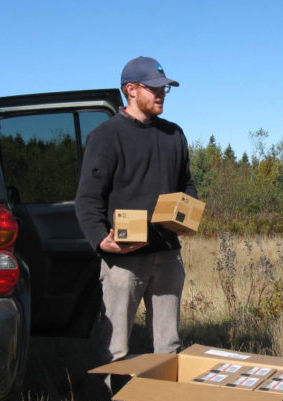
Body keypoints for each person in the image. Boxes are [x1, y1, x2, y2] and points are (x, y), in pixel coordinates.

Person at [75, 56, 196, 376]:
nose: (162, 94)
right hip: (124, 260)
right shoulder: (105, 136)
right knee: (115, 348)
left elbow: (187, 187)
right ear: (131, 89)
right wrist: (102, 241)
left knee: (169, 345)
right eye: (155, 88)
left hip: (167, 255)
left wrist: (186, 217)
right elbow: (87, 200)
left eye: (165, 89)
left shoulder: (174, 135)